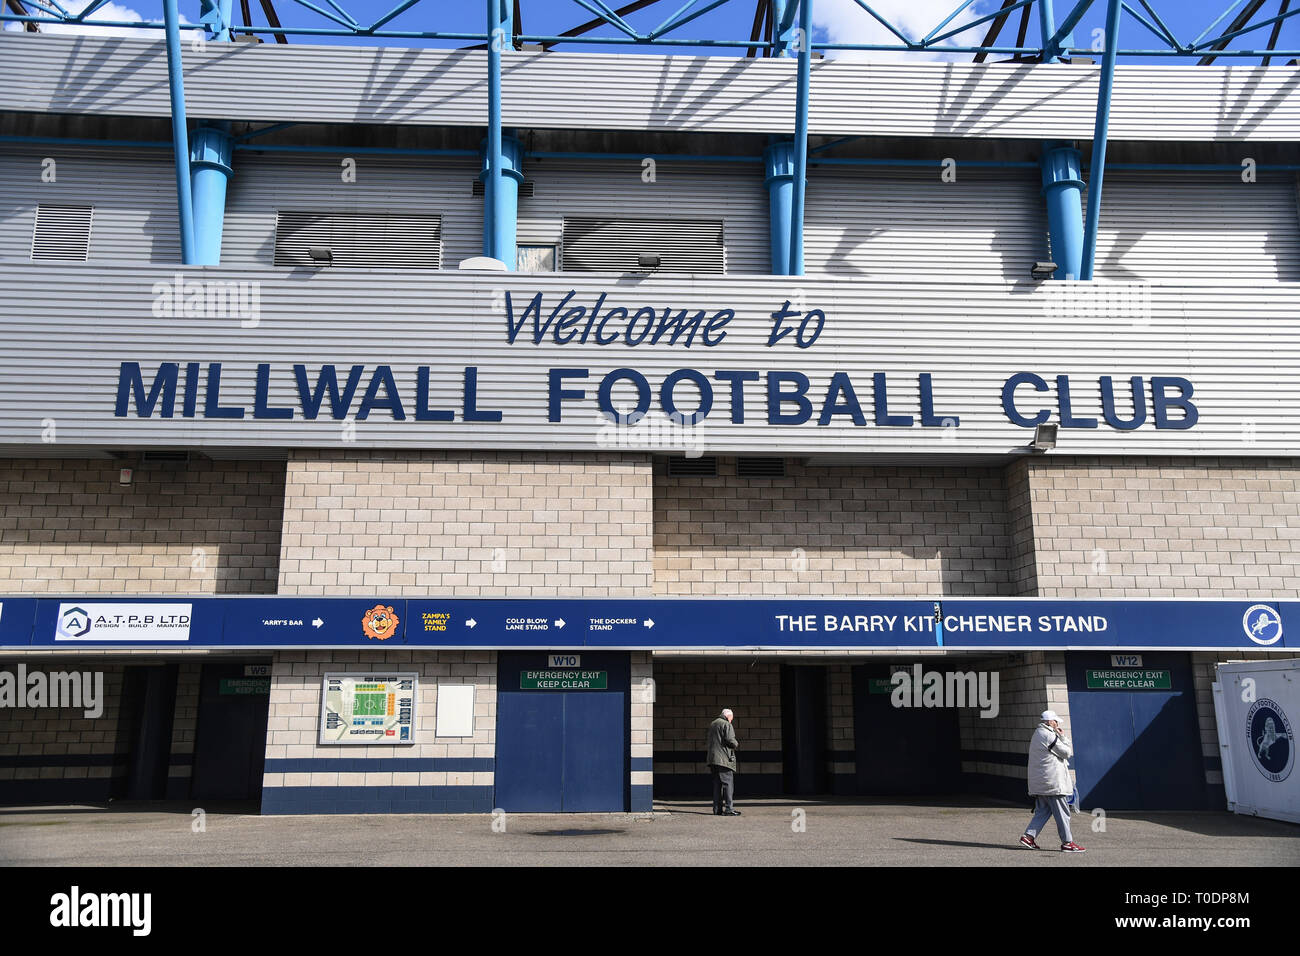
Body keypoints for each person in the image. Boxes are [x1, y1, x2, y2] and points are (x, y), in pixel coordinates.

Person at [1020, 710, 1085, 852]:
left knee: (1043, 811)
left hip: (1042, 783)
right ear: (1049, 722)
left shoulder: (1038, 734)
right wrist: (1063, 737)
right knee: (1062, 814)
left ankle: (1029, 836)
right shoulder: (1048, 735)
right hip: (1053, 783)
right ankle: (1067, 842)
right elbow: (1066, 753)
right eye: (1055, 721)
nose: (1056, 724)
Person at [706, 708, 741, 816]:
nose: (732, 720)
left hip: (713, 759)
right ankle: (729, 809)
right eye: (731, 718)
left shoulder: (713, 724)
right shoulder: (726, 724)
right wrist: (736, 744)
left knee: (717, 785)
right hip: (724, 759)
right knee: (728, 784)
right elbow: (730, 740)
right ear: (728, 716)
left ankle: (717, 809)